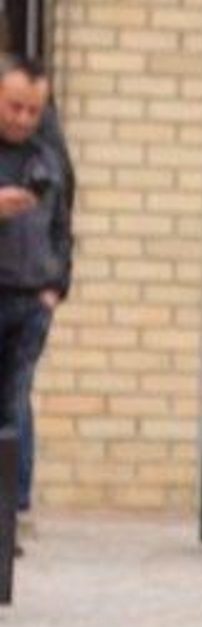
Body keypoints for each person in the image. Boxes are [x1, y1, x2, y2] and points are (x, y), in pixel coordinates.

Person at [0, 54, 75, 520]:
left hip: (31, 299)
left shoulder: (50, 155)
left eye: (33, 110)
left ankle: (13, 511)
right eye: (14, 107)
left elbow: (64, 225)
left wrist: (56, 287)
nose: (24, 118)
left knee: (14, 398)